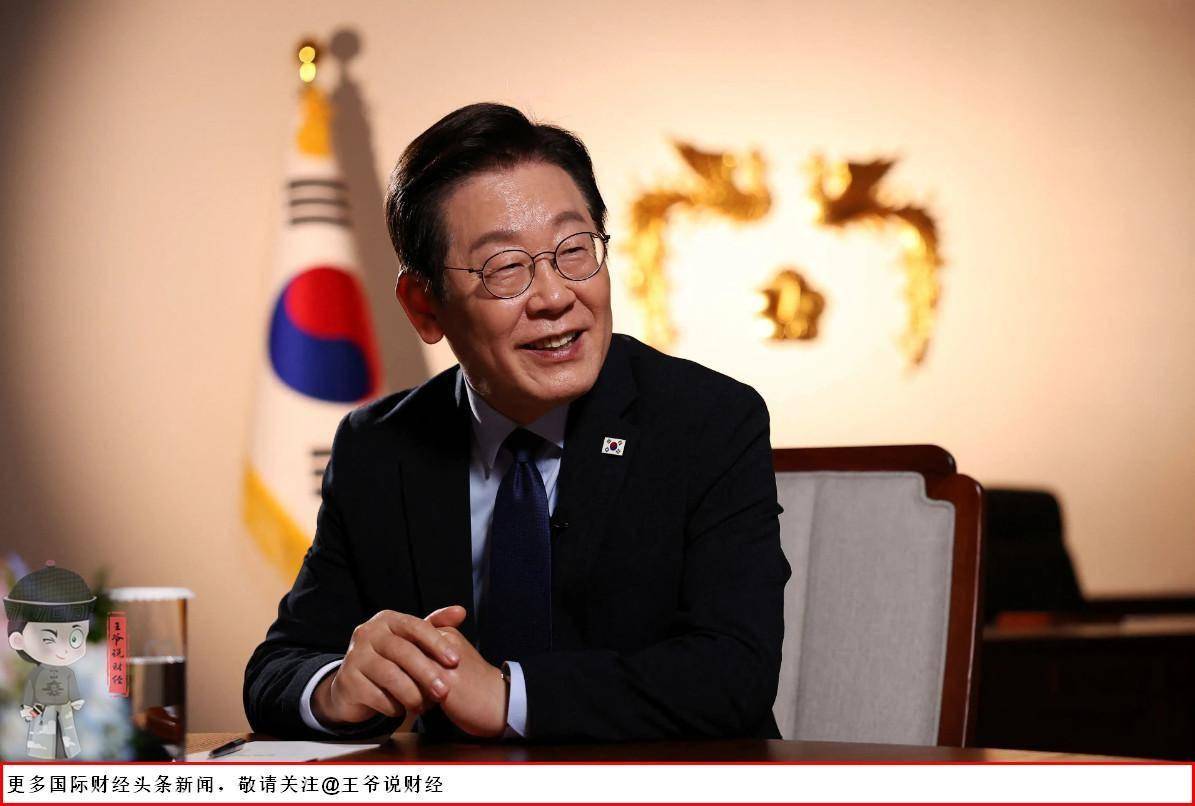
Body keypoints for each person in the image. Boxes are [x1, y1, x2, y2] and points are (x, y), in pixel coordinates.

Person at [244, 103, 790, 741]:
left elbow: (735, 673)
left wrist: (508, 697)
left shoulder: (708, 422)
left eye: (574, 250)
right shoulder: (381, 446)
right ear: (424, 307)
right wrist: (338, 687)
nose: (555, 297)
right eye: (505, 267)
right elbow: (277, 667)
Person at [5, 562, 96, 759]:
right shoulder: (33, 673)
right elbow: (30, 690)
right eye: (48, 639)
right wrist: (27, 708)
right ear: (17, 640)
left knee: (67, 738)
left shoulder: (71, 671)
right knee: (42, 741)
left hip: (65, 709)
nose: (63, 650)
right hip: (41, 710)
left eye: (74, 639)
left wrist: (77, 701)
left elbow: (73, 688)